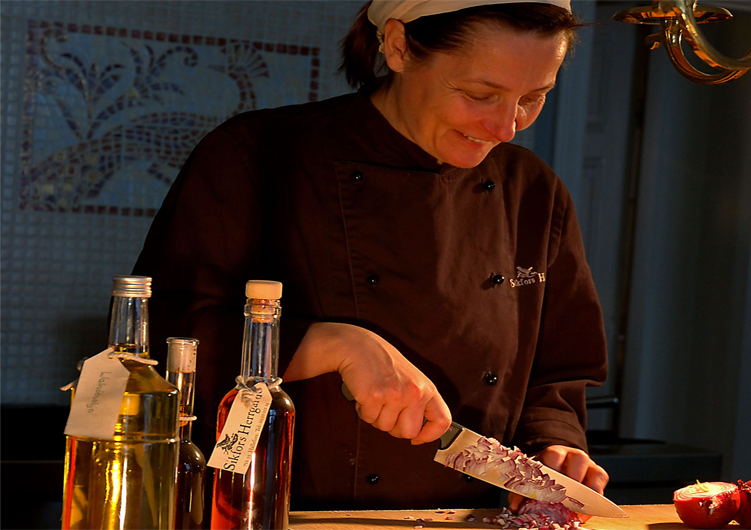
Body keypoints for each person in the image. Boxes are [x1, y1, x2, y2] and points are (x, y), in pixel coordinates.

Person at [133, 0, 610, 512]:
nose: (507, 127)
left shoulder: (532, 189)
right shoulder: (256, 156)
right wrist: (330, 344)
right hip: (274, 513)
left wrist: (555, 443)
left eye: (533, 98)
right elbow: (161, 342)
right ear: (399, 47)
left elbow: (559, 370)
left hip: (472, 517)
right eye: (479, 94)